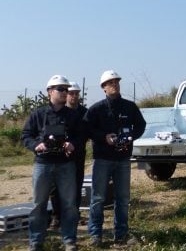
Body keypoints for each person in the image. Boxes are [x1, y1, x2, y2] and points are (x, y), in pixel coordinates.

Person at [83, 70, 146, 247]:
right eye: (110, 83)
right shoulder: (96, 109)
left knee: (123, 198)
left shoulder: (129, 106)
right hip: (102, 159)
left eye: (116, 81)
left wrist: (131, 136)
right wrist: (104, 137)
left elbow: (141, 125)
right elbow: (87, 129)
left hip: (123, 159)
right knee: (98, 198)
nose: (114, 85)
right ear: (103, 88)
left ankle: (121, 234)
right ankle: (96, 235)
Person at [21, 75, 82, 251]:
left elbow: (81, 136)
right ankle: (36, 241)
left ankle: (69, 240)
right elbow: (26, 135)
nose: (65, 92)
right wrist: (36, 145)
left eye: (66, 89)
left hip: (66, 164)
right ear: (50, 91)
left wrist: (73, 144)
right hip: (43, 163)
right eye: (61, 89)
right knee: (39, 203)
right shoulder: (38, 114)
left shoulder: (73, 115)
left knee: (69, 204)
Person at [49, 81, 88, 227]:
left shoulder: (84, 112)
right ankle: (56, 216)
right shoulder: (58, 111)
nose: (73, 96)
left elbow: (86, 133)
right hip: (58, 155)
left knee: (76, 185)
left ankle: (74, 214)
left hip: (77, 154)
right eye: (71, 93)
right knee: (55, 186)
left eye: (76, 93)